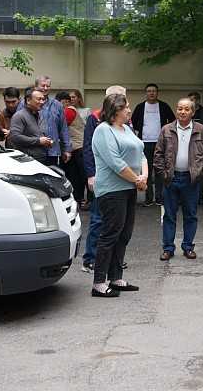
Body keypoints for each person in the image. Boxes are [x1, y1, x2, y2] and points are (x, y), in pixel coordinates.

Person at [90, 93, 146, 298]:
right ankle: (99, 282)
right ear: (115, 110)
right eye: (126, 107)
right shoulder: (103, 130)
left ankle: (116, 277)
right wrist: (137, 180)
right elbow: (115, 162)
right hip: (112, 190)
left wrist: (143, 176)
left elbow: (141, 154)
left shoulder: (127, 129)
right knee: (110, 234)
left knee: (124, 234)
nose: (129, 110)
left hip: (129, 188)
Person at [154, 98, 203, 261]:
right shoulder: (166, 129)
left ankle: (188, 247)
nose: (182, 112)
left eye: (187, 109)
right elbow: (158, 154)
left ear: (193, 112)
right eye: (180, 108)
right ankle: (168, 248)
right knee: (169, 215)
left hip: (191, 180)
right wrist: (163, 174)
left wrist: (201, 173)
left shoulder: (202, 130)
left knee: (191, 215)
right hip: (171, 178)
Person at [80, 85, 127, 274]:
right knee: (98, 219)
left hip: (120, 179)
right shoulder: (95, 119)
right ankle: (91, 259)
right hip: (103, 177)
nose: (124, 105)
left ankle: (113, 259)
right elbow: (88, 148)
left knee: (117, 223)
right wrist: (91, 174)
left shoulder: (125, 120)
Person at [132, 83, 175, 207]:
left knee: (159, 170)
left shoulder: (163, 106)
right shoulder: (140, 107)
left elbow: (172, 121)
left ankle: (159, 198)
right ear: (146, 93)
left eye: (154, 91)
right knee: (147, 170)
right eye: (149, 91)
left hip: (161, 143)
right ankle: (148, 198)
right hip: (144, 143)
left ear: (157, 93)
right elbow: (133, 122)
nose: (151, 93)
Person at [31, 75, 71, 167]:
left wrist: (67, 149)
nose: (45, 88)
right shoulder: (26, 104)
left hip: (52, 152)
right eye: (43, 85)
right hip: (33, 151)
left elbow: (63, 128)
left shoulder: (57, 105)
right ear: (35, 87)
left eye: (48, 86)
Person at [9, 88, 53, 164]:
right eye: (39, 99)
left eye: (43, 99)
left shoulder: (40, 115)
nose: (42, 102)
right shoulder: (19, 116)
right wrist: (38, 141)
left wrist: (46, 141)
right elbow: (15, 137)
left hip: (42, 159)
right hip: (27, 161)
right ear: (28, 100)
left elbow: (37, 135)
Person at [62, 90, 89, 210]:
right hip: (76, 147)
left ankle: (89, 201)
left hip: (78, 147)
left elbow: (61, 127)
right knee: (76, 177)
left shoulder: (69, 111)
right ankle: (79, 200)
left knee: (83, 176)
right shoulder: (70, 110)